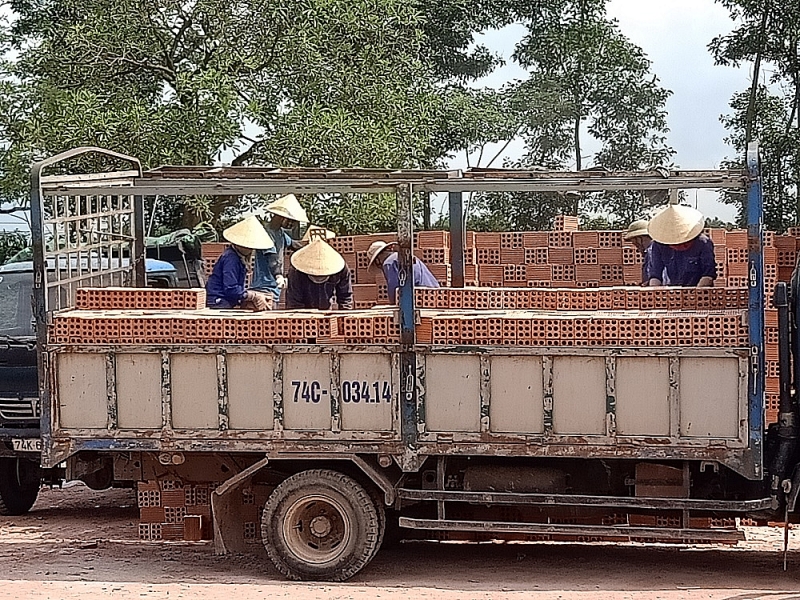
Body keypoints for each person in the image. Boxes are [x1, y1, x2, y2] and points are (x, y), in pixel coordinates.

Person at [206, 216, 274, 311]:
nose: (250, 249)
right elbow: (231, 289)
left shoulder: (239, 257)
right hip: (218, 300)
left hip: (226, 300)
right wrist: (253, 296)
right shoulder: (231, 258)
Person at [251, 194, 308, 307]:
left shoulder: (280, 233)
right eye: (290, 220)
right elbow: (272, 258)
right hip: (264, 287)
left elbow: (293, 245)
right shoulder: (267, 233)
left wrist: (311, 248)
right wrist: (278, 275)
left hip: (273, 288)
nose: (292, 224)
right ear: (281, 217)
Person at [645, 204, 716, 287]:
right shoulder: (658, 245)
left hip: (700, 292)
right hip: (673, 292)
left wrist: (696, 295)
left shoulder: (703, 243)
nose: (681, 246)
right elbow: (655, 275)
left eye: (685, 242)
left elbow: (708, 275)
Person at [285, 239, 353, 310]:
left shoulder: (341, 269)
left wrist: (345, 319)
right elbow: (294, 303)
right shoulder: (295, 272)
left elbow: (345, 297)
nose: (319, 278)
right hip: (304, 309)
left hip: (326, 309)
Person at [366, 240, 440, 304]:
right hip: (436, 295)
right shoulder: (403, 257)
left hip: (421, 299)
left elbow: (394, 291)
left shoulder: (389, 263)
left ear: (377, 260)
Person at [623, 219, 652, 286]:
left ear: (639, 239)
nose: (637, 248)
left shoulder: (651, 253)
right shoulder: (651, 252)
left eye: (636, 244)